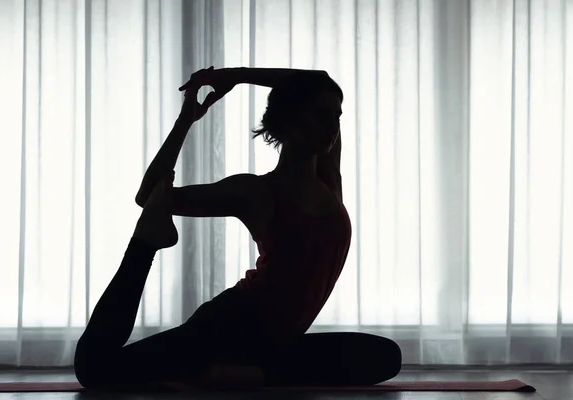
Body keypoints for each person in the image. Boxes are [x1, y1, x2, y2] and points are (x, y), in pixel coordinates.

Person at [74, 67, 402, 390]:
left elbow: (316, 78)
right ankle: (146, 243)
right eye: (321, 116)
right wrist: (185, 119)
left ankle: (254, 374)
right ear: (290, 118)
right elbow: (149, 196)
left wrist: (238, 75)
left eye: (337, 116)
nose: (333, 127)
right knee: (97, 370)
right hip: (227, 330)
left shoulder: (328, 177)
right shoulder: (256, 192)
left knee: (385, 356)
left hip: (277, 344)